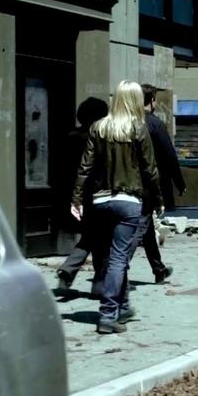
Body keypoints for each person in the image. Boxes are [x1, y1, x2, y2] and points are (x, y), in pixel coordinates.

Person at [71, 80, 163, 334]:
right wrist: (158, 200)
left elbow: (84, 168)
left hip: (99, 201)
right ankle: (108, 313)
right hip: (129, 201)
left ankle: (122, 306)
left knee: (109, 258)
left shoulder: (98, 128)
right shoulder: (138, 129)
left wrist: (77, 199)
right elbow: (150, 170)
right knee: (118, 259)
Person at [132, 84, 186, 283]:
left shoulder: (126, 123)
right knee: (142, 223)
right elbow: (169, 156)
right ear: (152, 101)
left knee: (146, 227)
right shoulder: (155, 124)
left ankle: (158, 269)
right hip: (150, 184)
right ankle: (118, 269)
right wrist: (179, 182)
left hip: (127, 183)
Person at [56, 97, 108, 291]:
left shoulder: (71, 137)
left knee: (92, 235)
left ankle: (72, 271)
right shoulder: (99, 138)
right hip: (97, 193)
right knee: (102, 239)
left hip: (76, 194)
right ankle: (97, 281)